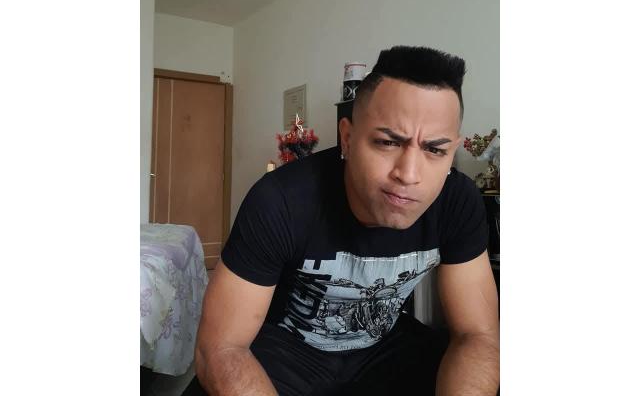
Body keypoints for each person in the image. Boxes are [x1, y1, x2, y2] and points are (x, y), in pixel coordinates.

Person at [188, 46, 499, 395]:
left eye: (434, 149)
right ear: (347, 139)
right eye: (387, 142)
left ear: (452, 150)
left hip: (383, 346)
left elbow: (478, 334)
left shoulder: (458, 200)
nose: (409, 175)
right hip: (286, 349)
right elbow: (221, 348)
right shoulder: (281, 200)